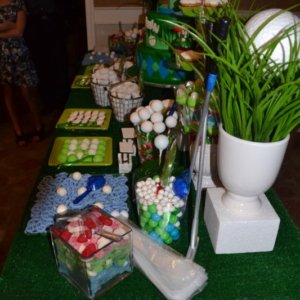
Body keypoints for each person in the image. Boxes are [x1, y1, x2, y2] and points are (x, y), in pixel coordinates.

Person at [0, 0, 43, 146]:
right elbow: (10, 29)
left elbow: (18, 31)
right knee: (7, 92)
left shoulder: (18, 3)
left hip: (19, 52)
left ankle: (39, 125)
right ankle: (18, 130)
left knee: (27, 91)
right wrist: (3, 26)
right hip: (1, 55)